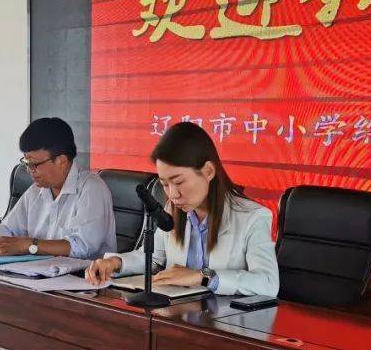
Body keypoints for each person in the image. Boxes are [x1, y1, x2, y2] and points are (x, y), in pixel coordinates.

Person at [85, 121, 278, 296]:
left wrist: (202, 277)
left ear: (208, 171)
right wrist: (115, 263)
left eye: (178, 182)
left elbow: (268, 283)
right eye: (165, 184)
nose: (173, 194)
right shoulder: (173, 209)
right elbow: (154, 259)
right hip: (175, 313)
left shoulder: (253, 217)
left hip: (225, 318)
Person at [0, 117, 115, 258]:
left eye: (34, 164)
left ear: (61, 161)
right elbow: (10, 228)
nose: (29, 170)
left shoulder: (92, 189)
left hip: (83, 276)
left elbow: (82, 247)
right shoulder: (36, 190)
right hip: (38, 272)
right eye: (26, 163)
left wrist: (28, 245)